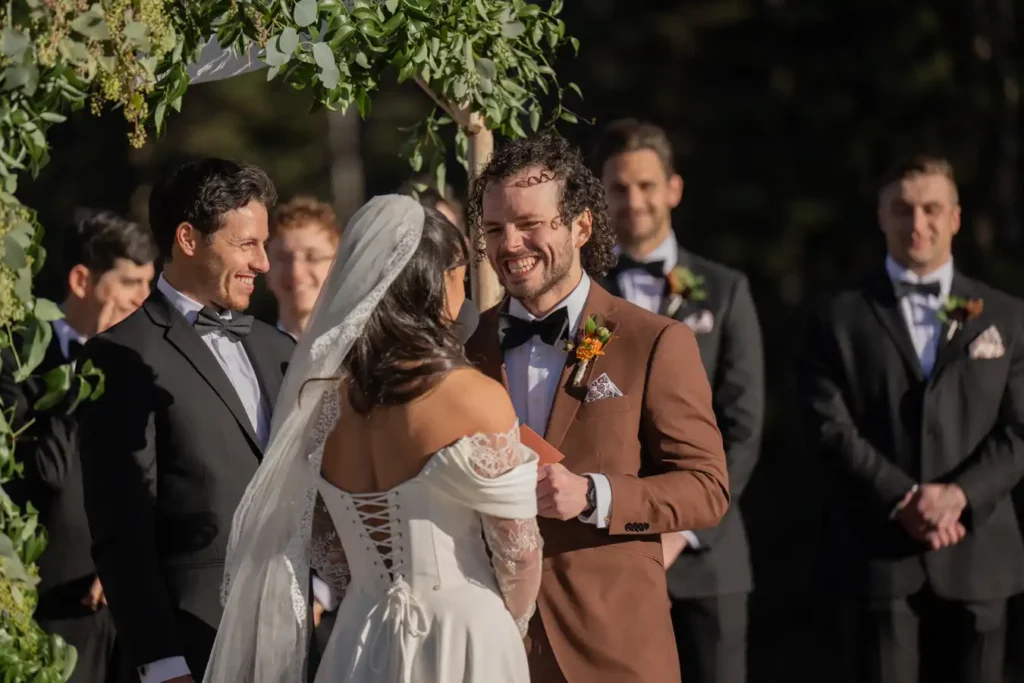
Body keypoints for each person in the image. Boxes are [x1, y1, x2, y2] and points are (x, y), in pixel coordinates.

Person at [204, 195, 543, 683]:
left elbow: (324, 544)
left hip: (359, 636)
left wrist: (373, 588)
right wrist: (509, 624)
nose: (463, 288)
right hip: (464, 633)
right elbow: (518, 550)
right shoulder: (474, 396)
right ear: (433, 280)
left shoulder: (321, 406)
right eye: (459, 274)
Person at [463, 132, 730, 683]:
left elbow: (707, 488)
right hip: (490, 648)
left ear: (581, 225)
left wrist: (593, 494)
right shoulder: (464, 350)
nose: (510, 244)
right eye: (494, 229)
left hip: (613, 650)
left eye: (529, 224)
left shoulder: (653, 341)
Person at [799, 154, 1024, 683]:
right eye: (902, 209)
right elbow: (827, 422)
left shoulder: (1006, 317)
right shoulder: (838, 316)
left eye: (931, 208)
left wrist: (959, 496)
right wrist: (902, 496)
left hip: (979, 551)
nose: (917, 223)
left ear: (956, 218)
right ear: (882, 216)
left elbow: (1018, 429)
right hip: (878, 557)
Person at [76, 158, 295, 683]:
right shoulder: (121, 354)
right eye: (247, 244)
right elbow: (121, 530)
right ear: (188, 239)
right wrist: (162, 662)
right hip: (191, 653)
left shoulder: (279, 349)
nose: (264, 264)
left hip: (292, 644)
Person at [593, 119, 764, 683]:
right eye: (619, 188)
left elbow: (742, 427)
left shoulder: (726, 289)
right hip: (610, 552)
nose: (634, 201)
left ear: (673, 188)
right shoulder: (583, 296)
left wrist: (680, 529)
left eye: (646, 186)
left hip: (709, 557)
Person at [1, 210, 158, 683]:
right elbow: (46, 470)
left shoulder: (151, 367)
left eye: (149, 283)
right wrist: (89, 370)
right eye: (130, 281)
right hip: (54, 609)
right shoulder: (17, 363)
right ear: (81, 279)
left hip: (138, 611)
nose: (143, 298)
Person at [266, 196, 343, 340]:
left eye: (312, 258)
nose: (296, 273)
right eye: (283, 258)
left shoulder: (364, 355)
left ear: (338, 267)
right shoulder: (247, 357)